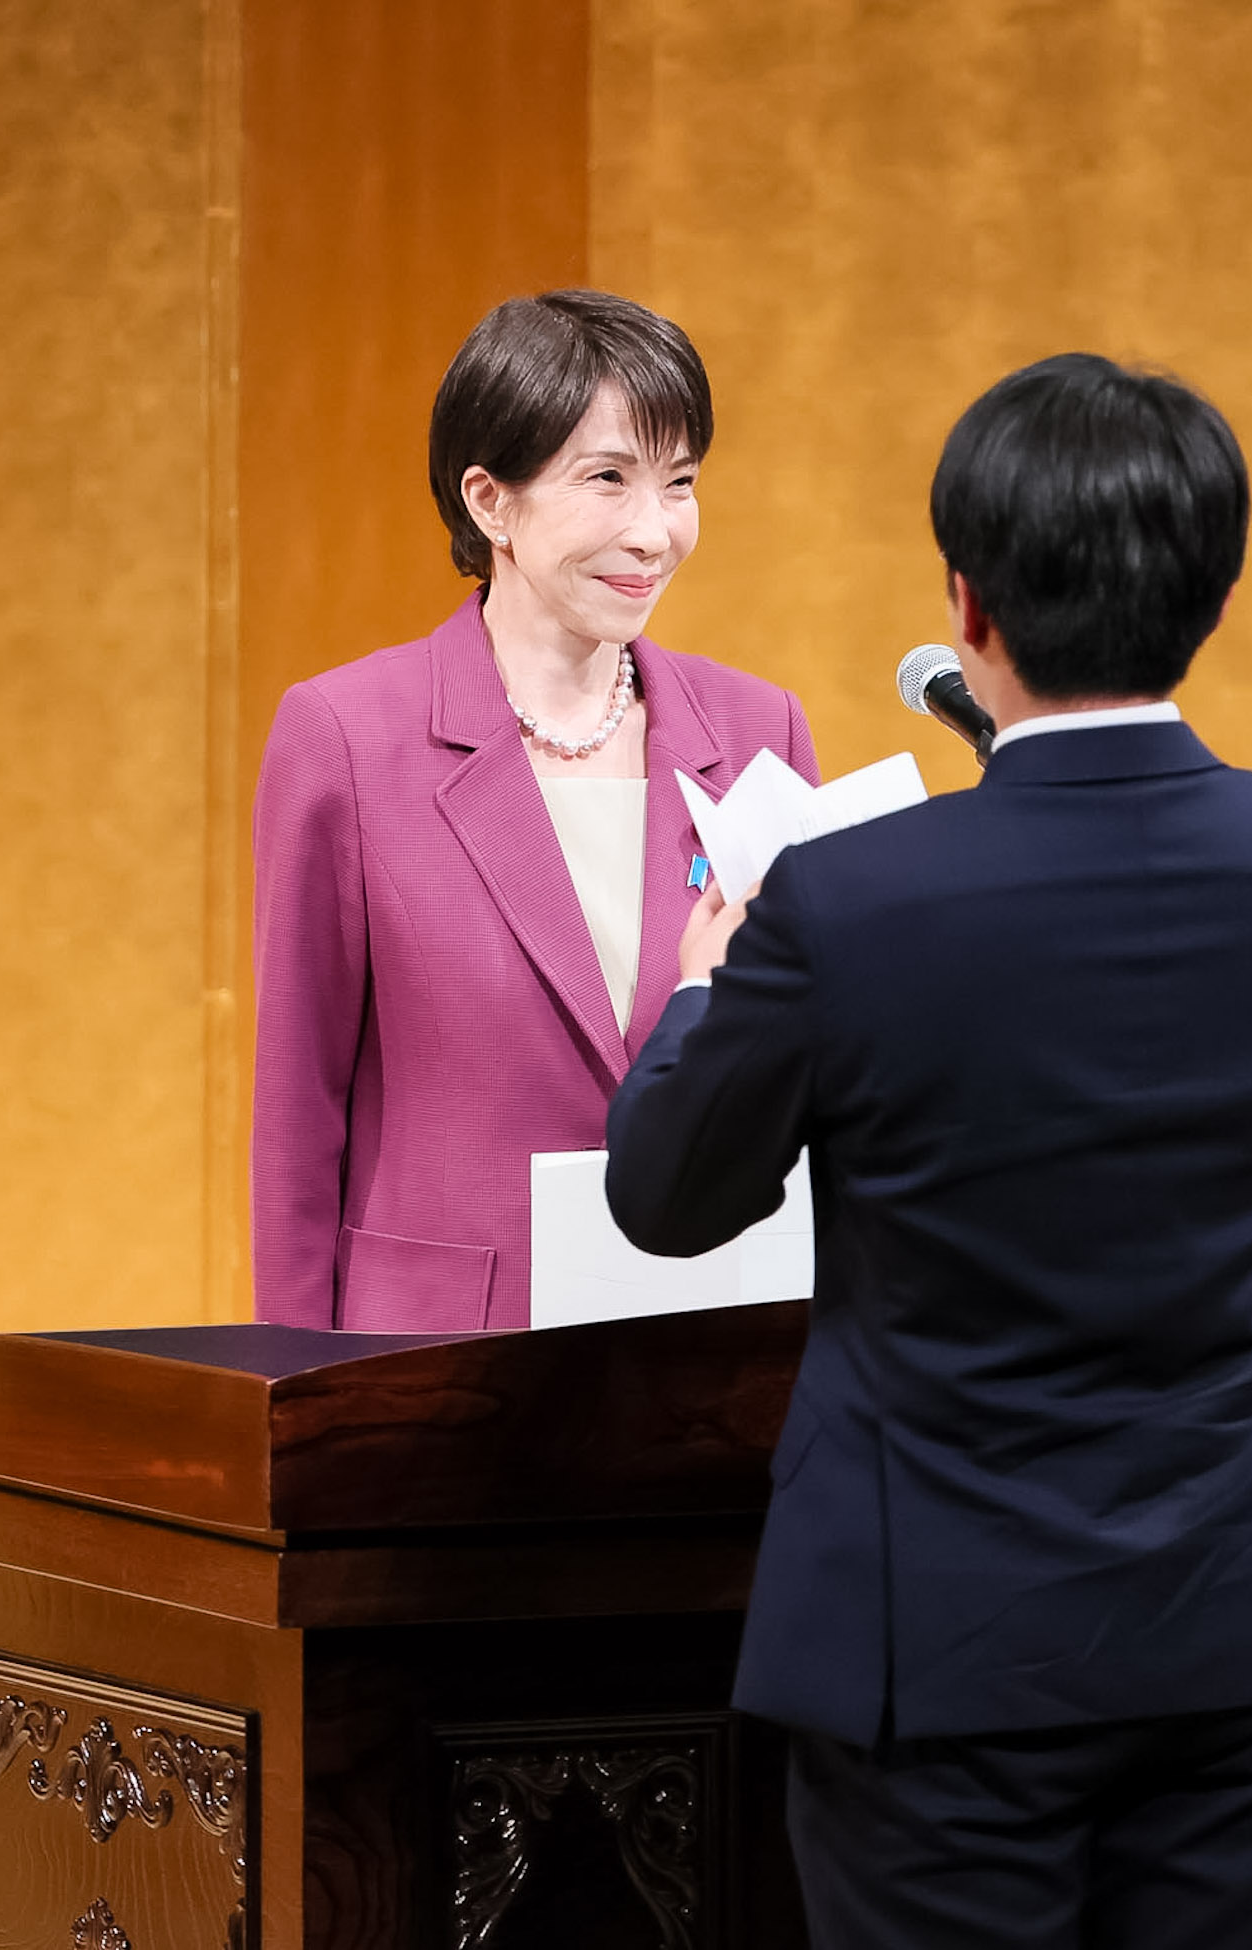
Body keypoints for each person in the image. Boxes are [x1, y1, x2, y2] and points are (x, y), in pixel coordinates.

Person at [605, 352, 1252, 1947]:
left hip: (938, 1631)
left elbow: (670, 1192)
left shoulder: (851, 901)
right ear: (1216, 594)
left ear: (967, 603)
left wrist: (703, 990)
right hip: (1242, 1607)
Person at [252, 289, 815, 1333]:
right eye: (608, 479)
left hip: (706, 1342)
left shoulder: (757, 732)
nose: (653, 532)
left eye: (680, 482)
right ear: (489, 501)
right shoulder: (345, 736)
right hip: (439, 1357)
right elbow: (298, 1107)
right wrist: (292, 1383)